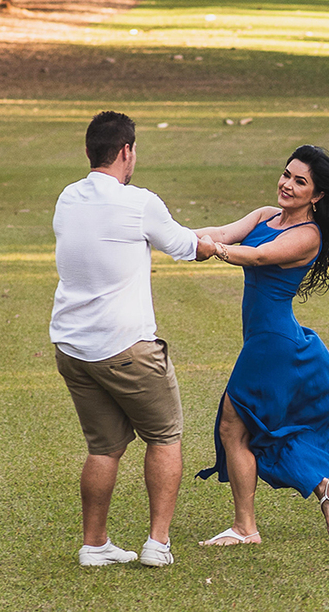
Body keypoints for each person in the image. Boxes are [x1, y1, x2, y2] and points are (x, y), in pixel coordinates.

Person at [51, 111, 215, 568]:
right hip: (127, 350)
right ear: (127, 151)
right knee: (164, 436)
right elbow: (191, 248)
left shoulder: (67, 198)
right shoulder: (138, 202)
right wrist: (242, 232)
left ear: (89, 152)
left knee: (103, 447)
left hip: (72, 348)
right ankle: (156, 544)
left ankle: (95, 545)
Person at [194, 144, 329, 546]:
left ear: (317, 195)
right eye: (287, 174)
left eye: (300, 181)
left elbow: (257, 256)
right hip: (264, 338)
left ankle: (245, 528)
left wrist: (216, 251)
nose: (287, 184)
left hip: (272, 344)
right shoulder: (265, 215)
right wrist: (170, 236)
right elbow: (220, 232)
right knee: (256, 429)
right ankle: (324, 488)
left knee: (232, 425)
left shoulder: (307, 236)